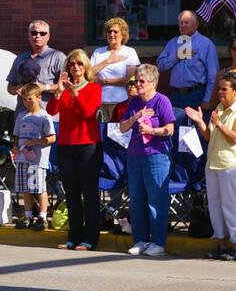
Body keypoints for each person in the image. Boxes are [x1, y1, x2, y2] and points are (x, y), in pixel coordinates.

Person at [48, 49, 103, 251]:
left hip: (88, 145)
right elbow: (51, 110)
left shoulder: (94, 88)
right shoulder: (64, 88)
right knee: (71, 193)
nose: (76, 67)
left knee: (89, 193)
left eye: (79, 63)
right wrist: (60, 91)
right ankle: (74, 235)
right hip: (66, 145)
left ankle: (90, 238)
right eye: (72, 64)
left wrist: (74, 92)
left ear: (85, 66)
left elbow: (88, 112)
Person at [119, 63, 176, 257]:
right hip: (135, 156)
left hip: (156, 156)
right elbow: (122, 128)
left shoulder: (162, 101)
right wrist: (136, 117)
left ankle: (158, 242)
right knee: (136, 200)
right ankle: (140, 240)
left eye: (142, 81)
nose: (137, 84)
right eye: (136, 80)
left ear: (153, 83)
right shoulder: (134, 102)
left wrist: (152, 131)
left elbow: (170, 129)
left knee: (156, 201)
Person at [186, 70, 236, 260]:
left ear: (235, 91)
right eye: (219, 88)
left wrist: (220, 124)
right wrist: (200, 122)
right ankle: (222, 245)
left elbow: (234, 139)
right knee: (215, 206)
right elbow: (209, 136)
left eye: (224, 89)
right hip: (212, 163)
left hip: (230, 165)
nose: (220, 92)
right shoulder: (219, 107)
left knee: (231, 206)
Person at [12, 82, 56, 230]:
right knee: (26, 188)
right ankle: (28, 215)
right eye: (24, 99)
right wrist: (15, 146)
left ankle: (43, 216)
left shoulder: (44, 116)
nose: (27, 102)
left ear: (39, 97)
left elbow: (52, 137)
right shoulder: (21, 116)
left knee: (39, 188)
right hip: (23, 157)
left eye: (30, 99)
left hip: (37, 159)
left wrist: (36, 141)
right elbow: (17, 135)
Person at [157, 10, 218, 113]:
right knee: (176, 128)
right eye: (181, 23)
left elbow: (213, 74)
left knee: (194, 128)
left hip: (197, 94)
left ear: (196, 25)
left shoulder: (206, 44)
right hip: (177, 95)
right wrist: (176, 56)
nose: (183, 25)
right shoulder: (172, 43)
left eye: (186, 22)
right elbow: (160, 67)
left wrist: (207, 99)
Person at [6, 19, 66, 107]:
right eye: (34, 33)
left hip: (48, 115)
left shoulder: (58, 57)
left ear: (48, 37)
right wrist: (16, 89)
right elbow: (10, 86)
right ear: (29, 36)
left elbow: (66, 86)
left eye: (42, 33)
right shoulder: (20, 58)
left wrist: (44, 87)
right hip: (23, 115)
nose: (38, 36)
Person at [91, 17, 139, 123]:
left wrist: (105, 81)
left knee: (117, 135)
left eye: (115, 31)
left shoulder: (129, 52)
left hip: (120, 102)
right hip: (99, 102)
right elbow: (89, 75)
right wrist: (108, 60)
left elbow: (130, 79)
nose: (112, 34)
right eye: (109, 31)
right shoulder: (98, 52)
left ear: (123, 34)